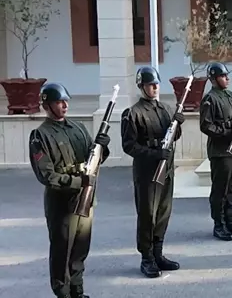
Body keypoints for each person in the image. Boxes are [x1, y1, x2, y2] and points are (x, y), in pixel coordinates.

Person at [29, 83, 110, 298]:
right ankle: (63, 293)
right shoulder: (40, 135)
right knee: (62, 251)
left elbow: (94, 159)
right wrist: (78, 181)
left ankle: (77, 290)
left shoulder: (78, 128)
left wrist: (102, 147)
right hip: (61, 204)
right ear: (47, 105)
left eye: (66, 101)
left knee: (80, 249)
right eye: (59, 102)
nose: (65, 105)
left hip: (86, 198)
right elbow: (46, 175)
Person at [121, 66, 185, 278]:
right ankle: (146, 257)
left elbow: (172, 136)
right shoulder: (133, 113)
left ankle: (158, 253)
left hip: (166, 170)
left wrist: (178, 124)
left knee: (163, 212)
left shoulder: (165, 109)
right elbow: (129, 146)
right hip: (147, 172)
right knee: (148, 214)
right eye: (150, 85)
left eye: (156, 84)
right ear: (141, 86)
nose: (155, 88)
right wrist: (154, 153)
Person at [199, 62, 232, 240]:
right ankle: (218, 224)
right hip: (220, 151)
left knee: (231, 187)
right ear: (213, 79)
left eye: (227, 75)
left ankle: (229, 219)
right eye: (223, 76)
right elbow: (206, 126)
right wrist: (227, 131)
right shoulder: (209, 99)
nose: (227, 79)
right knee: (220, 189)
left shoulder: (229, 95)